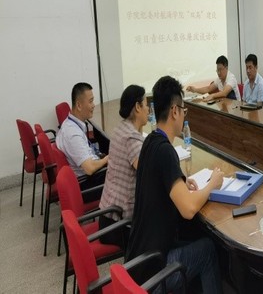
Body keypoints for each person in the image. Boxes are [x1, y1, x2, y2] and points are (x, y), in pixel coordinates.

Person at [126, 76, 224, 294]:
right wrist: (212, 184)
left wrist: (181, 181)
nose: (184, 115)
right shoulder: (165, 151)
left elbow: (158, 178)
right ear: (174, 111)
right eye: (184, 110)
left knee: (194, 238)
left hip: (138, 259)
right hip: (153, 272)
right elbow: (188, 209)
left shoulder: (150, 140)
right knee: (207, 249)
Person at [98, 85, 148, 247]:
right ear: (138, 107)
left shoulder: (120, 129)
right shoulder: (131, 138)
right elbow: (149, 174)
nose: (148, 109)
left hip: (107, 216)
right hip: (119, 225)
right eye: (146, 105)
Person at [56, 82, 108, 198]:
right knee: (126, 174)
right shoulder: (72, 133)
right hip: (86, 185)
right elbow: (89, 168)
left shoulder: (71, 124)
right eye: (90, 101)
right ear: (79, 105)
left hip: (88, 177)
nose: (93, 105)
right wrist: (107, 159)